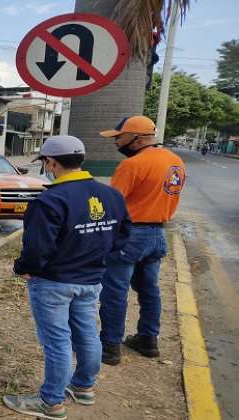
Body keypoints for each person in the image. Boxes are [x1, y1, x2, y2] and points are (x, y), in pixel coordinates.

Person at [4, 135, 131, 420]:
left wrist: (22, 267)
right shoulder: (111, 195)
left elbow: (37, 250)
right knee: (86, 333)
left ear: (51, 162)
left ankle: (51, 402)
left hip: (53, 283)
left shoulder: (49, 200)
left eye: (45, 162)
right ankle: (84, 387)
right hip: (91, 280)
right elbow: (122, 236)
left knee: (57, 341)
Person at [98, 116, 187, 365]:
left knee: (115, 291)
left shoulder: (132, 165)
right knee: (149, 290)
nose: (116, 142)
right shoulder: (175, 162)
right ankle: (148, 340)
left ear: (135, 139)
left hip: (130, 235)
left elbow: (112, 206)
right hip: (158, 234)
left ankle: (109, 347)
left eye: (119, 137)